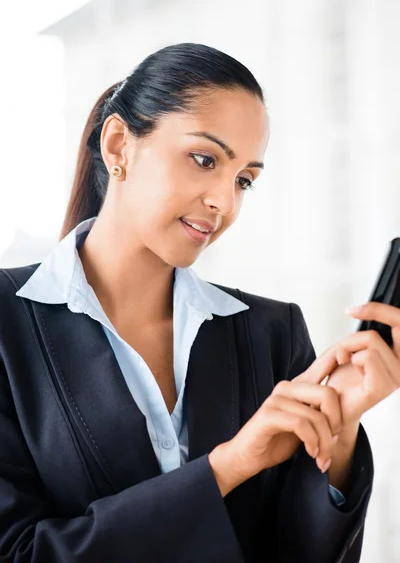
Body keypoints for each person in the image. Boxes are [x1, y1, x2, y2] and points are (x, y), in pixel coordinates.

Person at [0, 42, 398, 563]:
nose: (225, 203)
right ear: (119, 145)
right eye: (204, 159)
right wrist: (229, 465)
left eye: (244, 180)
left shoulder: (271, 332)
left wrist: (338, 432)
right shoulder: (10, 324)